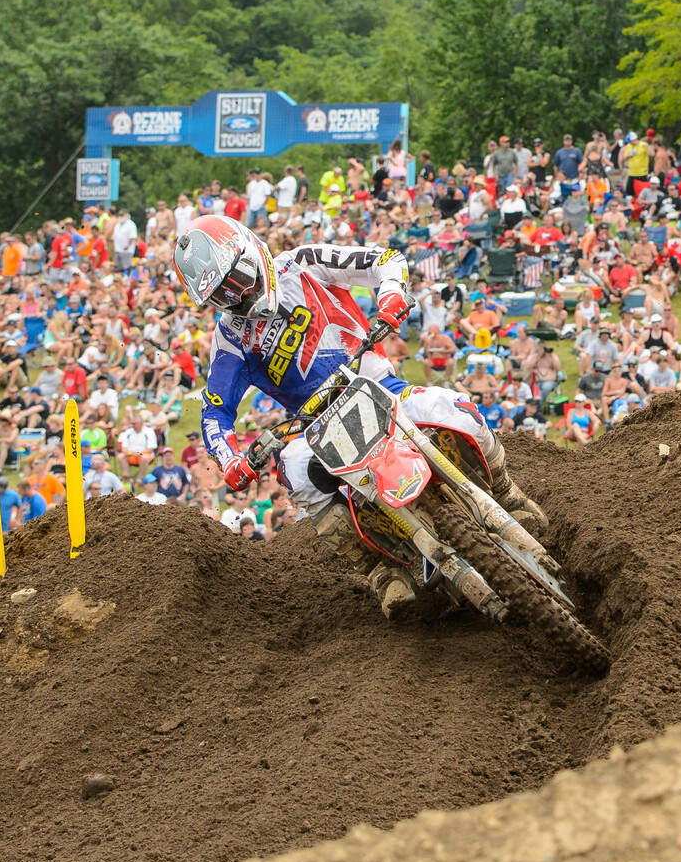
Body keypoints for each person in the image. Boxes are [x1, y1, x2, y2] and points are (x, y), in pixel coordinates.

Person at [174, 217, 548, 620]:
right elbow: (215, 410)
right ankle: (380, 571)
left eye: (239, 279)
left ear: (252, 250)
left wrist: (390, 296)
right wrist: (231, 460)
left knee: (453, 407)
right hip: (315, 424)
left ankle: (506, 492)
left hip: (379, 384)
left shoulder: (302, 263)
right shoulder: (230, 336)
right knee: (296, 469)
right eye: (223, 296)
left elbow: (383, 259)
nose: (239, 296)